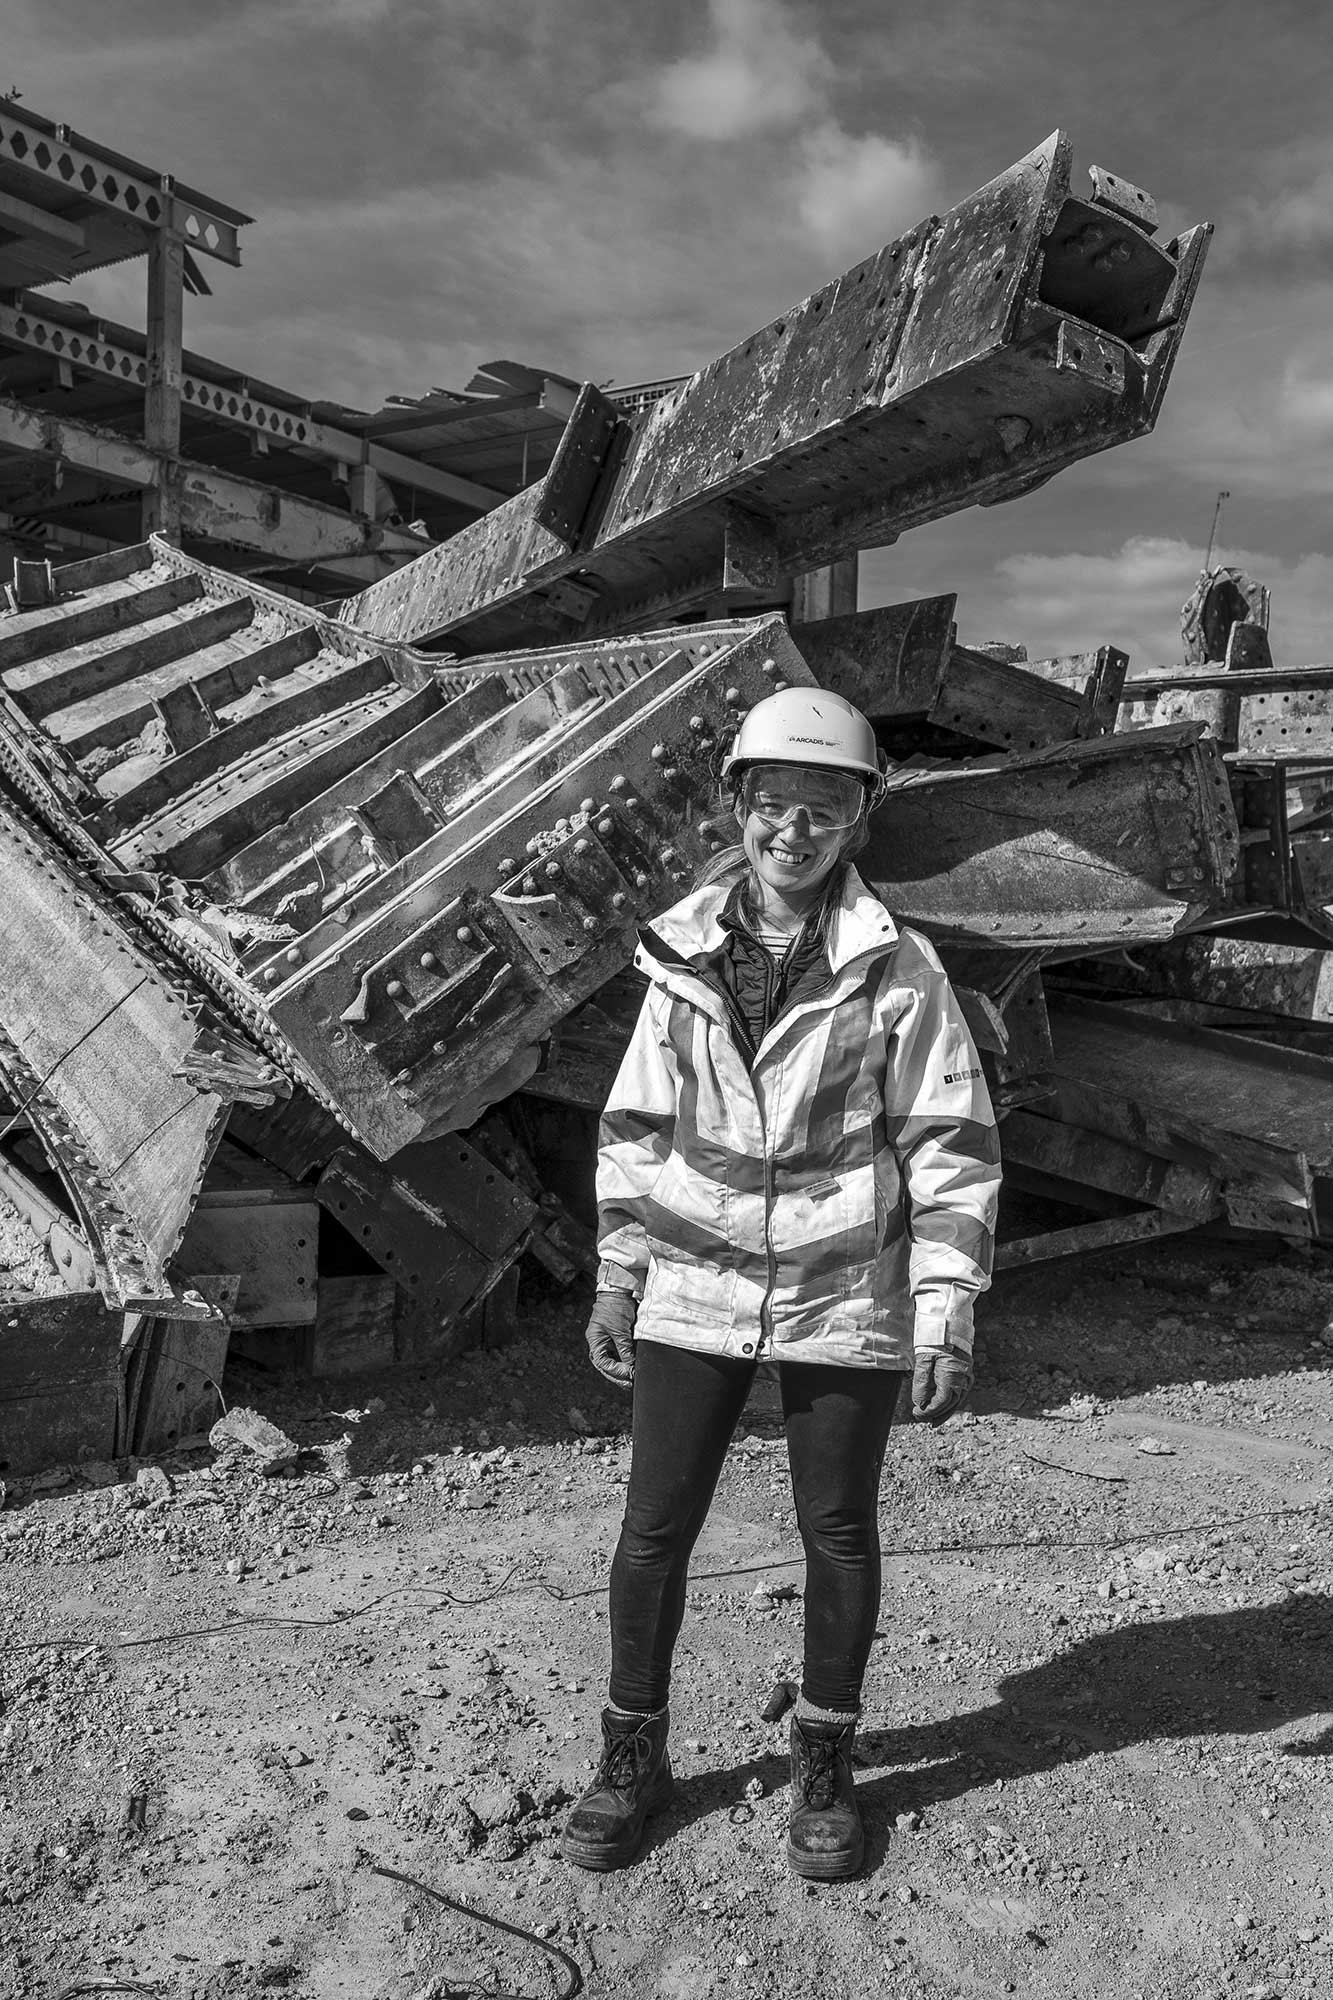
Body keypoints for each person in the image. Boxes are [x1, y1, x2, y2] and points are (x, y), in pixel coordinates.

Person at [560, 685, 1001, 1882]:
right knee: (654, 1529)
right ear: (737, 808)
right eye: (773, 805)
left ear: (857, 819)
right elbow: (637, 1127)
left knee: (838, 1531)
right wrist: (618, 1273)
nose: (792, 830)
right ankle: (630, 1755)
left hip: (843, 1292)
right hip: (694, 1283)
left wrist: (943, 1308)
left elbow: (949, 1142)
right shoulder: (681, 953)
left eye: (822, 807)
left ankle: (823, 1762)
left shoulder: (898, 969)